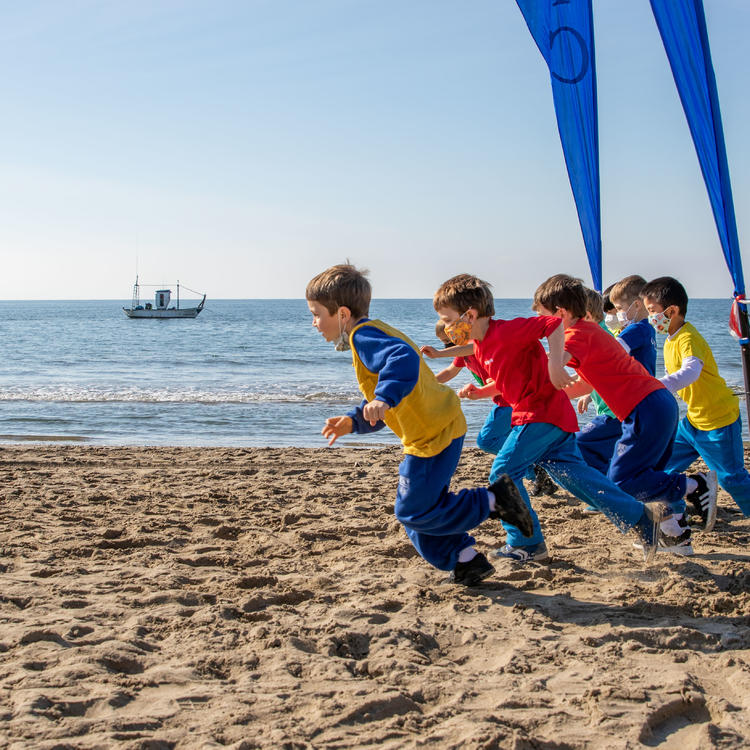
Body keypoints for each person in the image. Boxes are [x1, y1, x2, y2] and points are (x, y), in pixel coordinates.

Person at [305, 263, 532, 586]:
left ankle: (496, 501)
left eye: (316, 314)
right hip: (434, 427)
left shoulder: (364, 335)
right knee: (416, 514)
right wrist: (354, 422)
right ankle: (466, 560)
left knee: (412, 511)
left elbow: (402, 360)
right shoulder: (373, 332)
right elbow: (384, 408)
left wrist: (383, 397)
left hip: (433, 434)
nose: (314, 324)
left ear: (342, 314)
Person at [433, 273, 666, 564]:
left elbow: (553, 323)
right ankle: (642, 519)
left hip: (540, 414)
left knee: (502, 473)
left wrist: (555, 366)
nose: (445, 326)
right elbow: (510, 383)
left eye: (447, 318)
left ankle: (526, 543)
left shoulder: (506, 330)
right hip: (552, 415)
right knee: (575, 478)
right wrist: (479, 393)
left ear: (470, 314)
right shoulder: (481, 346)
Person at [534, 274, 717, 556]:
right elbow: (586, 383)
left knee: (622, 482)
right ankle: (675, 537)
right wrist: (548, 396)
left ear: (560, 313)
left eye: (541, 315)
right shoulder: (590, 332)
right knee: (648, 477)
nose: (537, 320)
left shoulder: (576, 335)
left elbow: (553, 365)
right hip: (657, 405)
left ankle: (696, 485)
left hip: (645, 408)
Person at [641, 276, 748, 524]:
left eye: (652, 311)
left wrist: (657, 386)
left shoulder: (688, 337)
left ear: (672, 310)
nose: (650, 318)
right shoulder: (670, 338)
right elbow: (673, 377)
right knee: (661, 465)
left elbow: (690, 372)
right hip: (692, 422)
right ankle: (683, 506)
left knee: (733, 478)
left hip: (718, 419)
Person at [422, 323, 557, 497]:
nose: (448, 346)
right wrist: (426, 382)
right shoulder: (462, 354)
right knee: (507, 440)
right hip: (502, 400)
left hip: (510, 400)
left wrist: (440, 354)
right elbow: (450, 372)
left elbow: (475, 349)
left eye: (449, 340)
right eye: (443, 342)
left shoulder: (476, 346)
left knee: (486, 440)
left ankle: (534, 469)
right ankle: (538, 474)